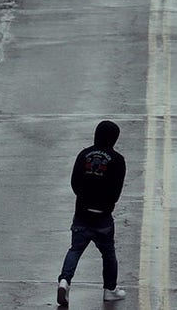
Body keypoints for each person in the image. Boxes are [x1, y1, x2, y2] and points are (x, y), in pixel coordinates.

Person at [57, 120, 127, 306]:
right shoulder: (118, 160)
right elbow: (116, 191)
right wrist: (105, 202)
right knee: (108, 253)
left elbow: (74, 182)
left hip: (82, 212)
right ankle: (110, 289)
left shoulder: (84, 154)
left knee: (75, 249)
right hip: (102, 215)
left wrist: (84, 197)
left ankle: (64, 281)